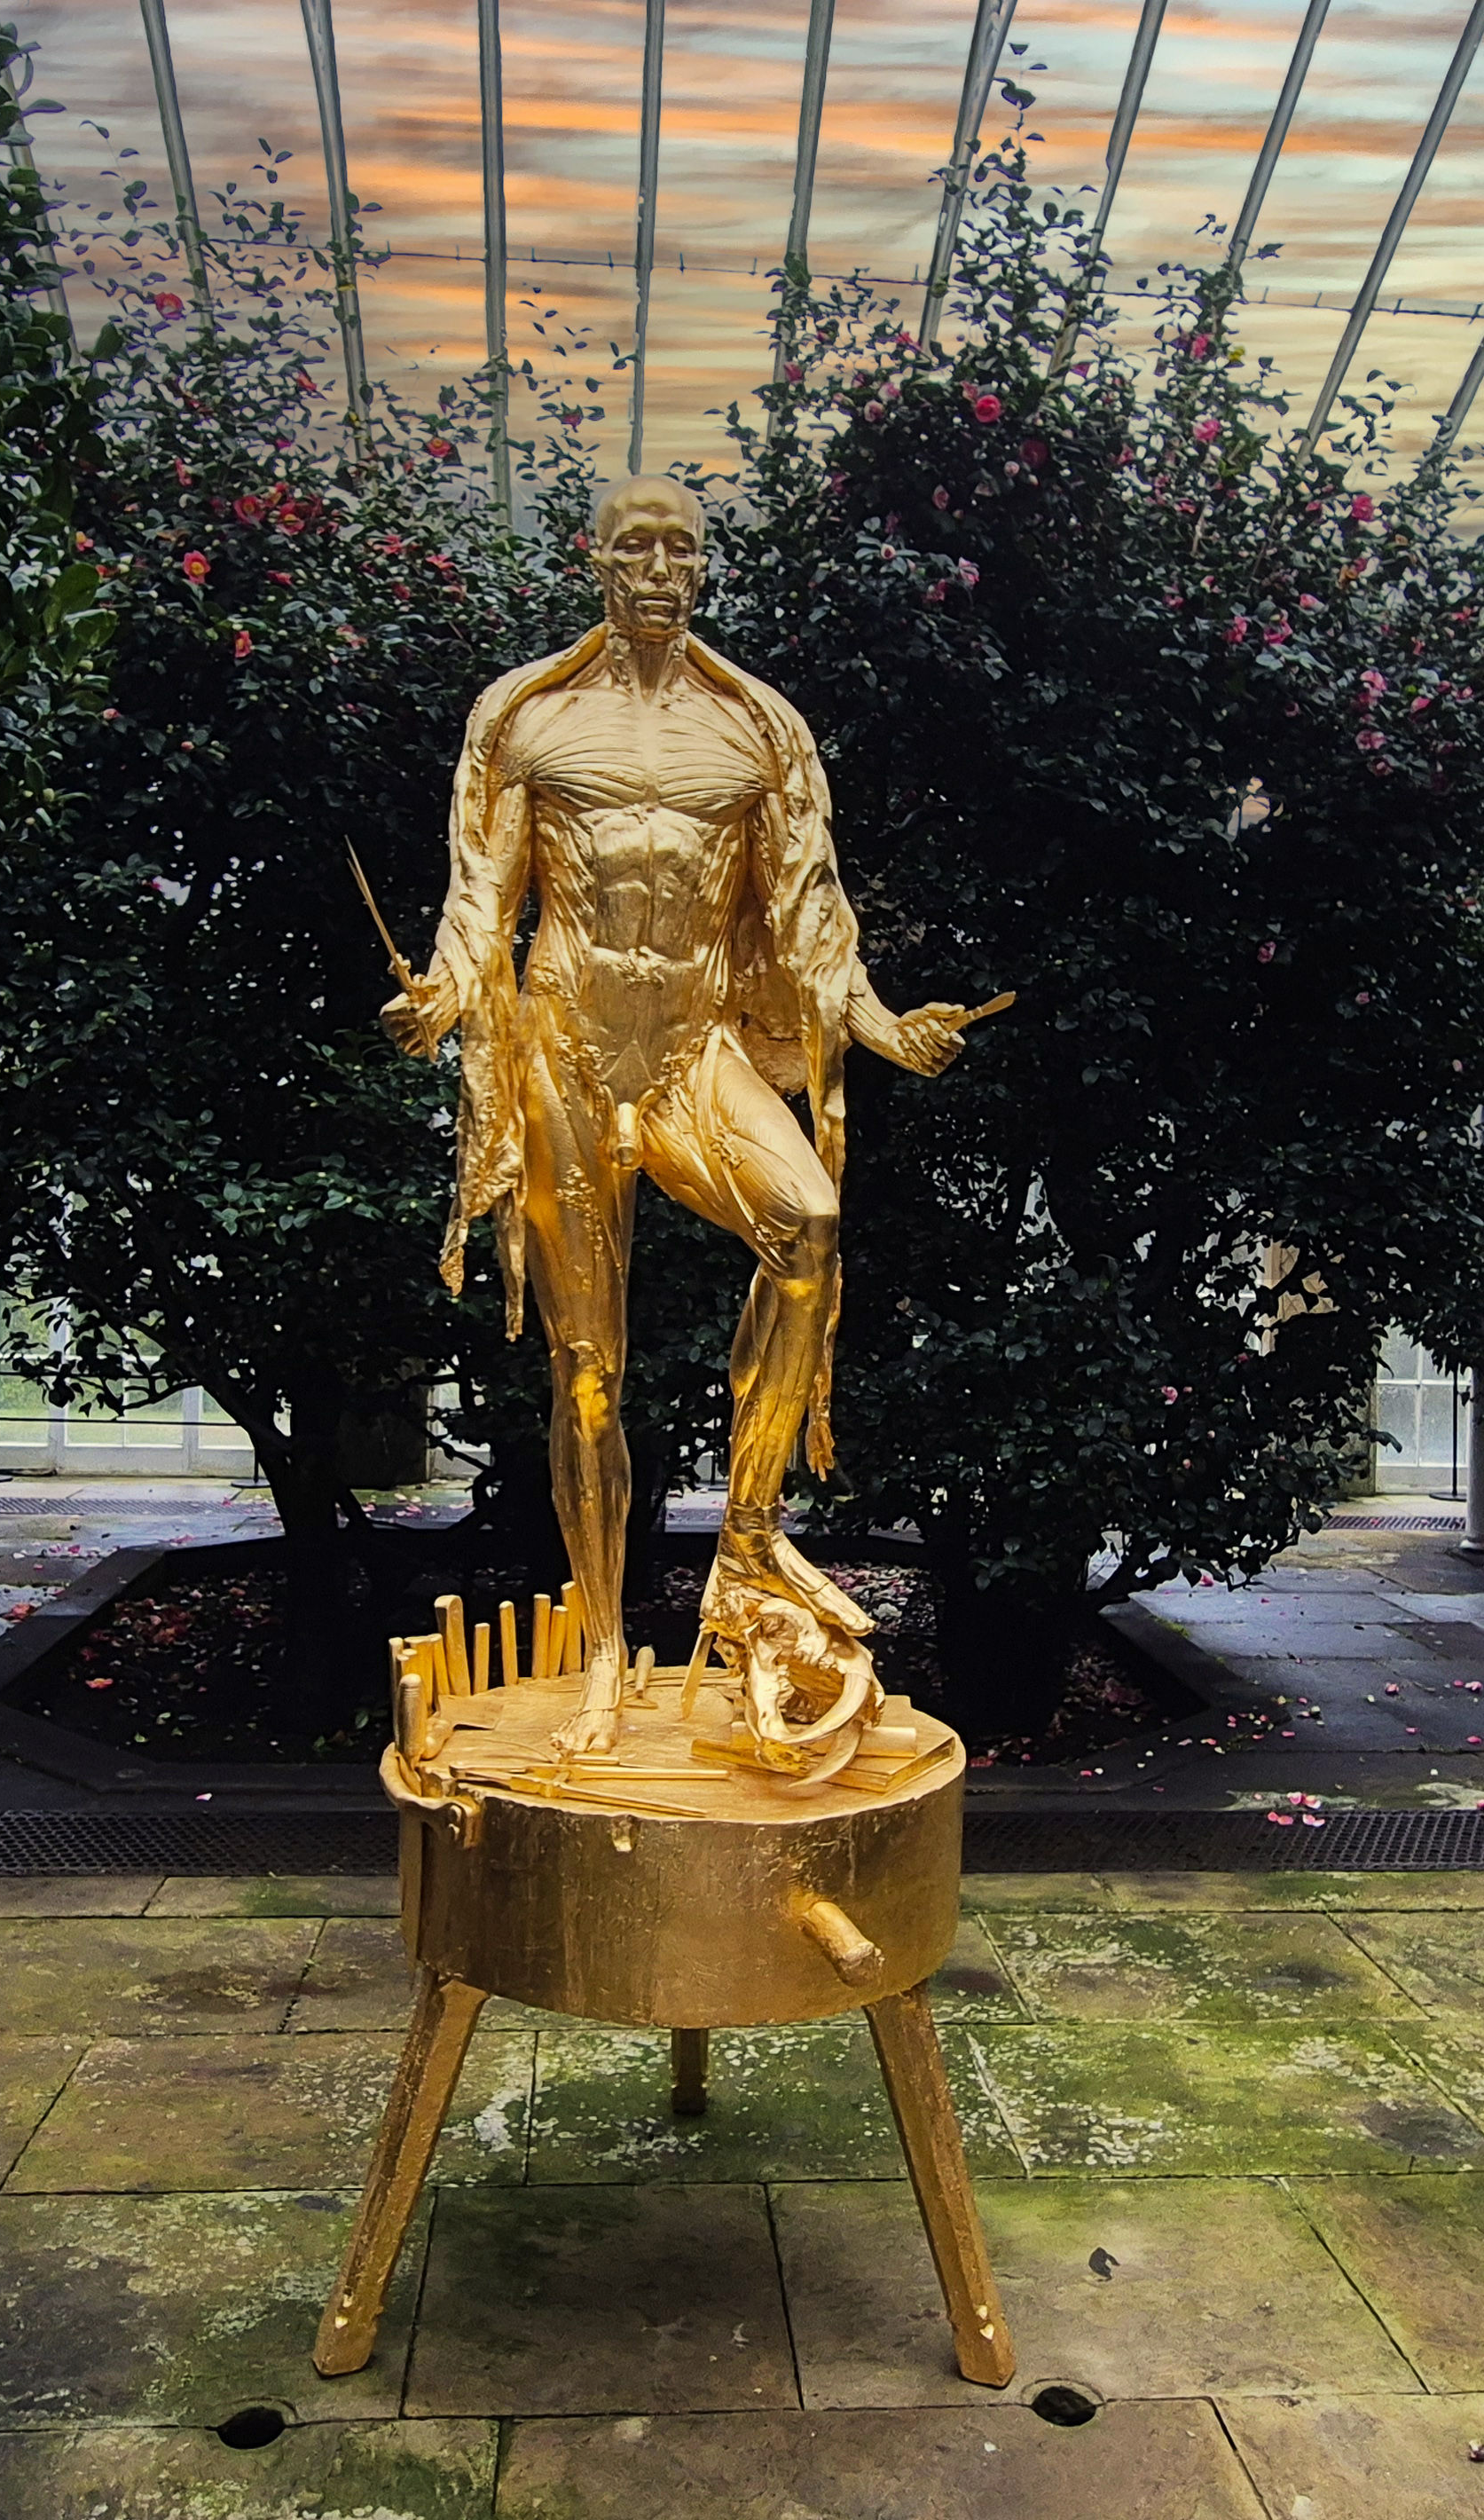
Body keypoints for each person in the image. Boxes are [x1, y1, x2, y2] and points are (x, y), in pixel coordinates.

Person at [383, 475, 969, 1765]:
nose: (659, 569)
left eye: (682, 549)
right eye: (637, 546)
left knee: (809, 1226)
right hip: (565, 1048)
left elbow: (812, 914)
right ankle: (602, 1650)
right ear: (595, 558)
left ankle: (747, 1537)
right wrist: (443, 994)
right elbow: (481, 894)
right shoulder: (525, 716)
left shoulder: (757, 726)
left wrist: (883, 1026)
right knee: (588, 1374)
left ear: (705, 566)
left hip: (694, 1045)